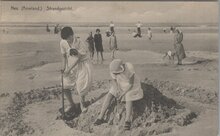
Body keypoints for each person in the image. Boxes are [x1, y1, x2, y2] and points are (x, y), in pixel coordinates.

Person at [94, 59, 144, 130]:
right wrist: (118, 89)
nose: (116, 74)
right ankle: (100, 117)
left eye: (117, 73)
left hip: (132, 85)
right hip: (120, 83)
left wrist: (122, 94)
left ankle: (127, 120)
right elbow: (114, 81)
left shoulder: (129, 67)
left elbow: (131, 84)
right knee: (109, 94)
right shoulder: (113, 69)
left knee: (128, 96)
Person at [60, 26, 92, 113]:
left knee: (80, 85)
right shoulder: (63, 42)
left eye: (68, 38)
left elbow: (78, 58)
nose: (67, 41)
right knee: (65, 85)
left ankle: (82, 104)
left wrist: (69, 69)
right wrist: (63, 68)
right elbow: (63, 56)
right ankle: (71, 104)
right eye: (65, 39)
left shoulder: (79, 43)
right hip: (71, 63)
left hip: (83, 63)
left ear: (72, 35)